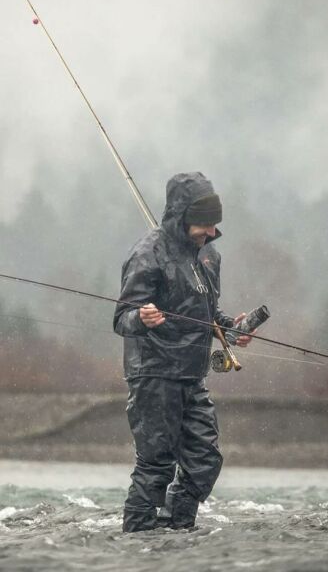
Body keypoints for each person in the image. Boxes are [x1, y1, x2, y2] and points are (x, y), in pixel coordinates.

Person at [114, 171, 252, 532]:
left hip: (193, 375)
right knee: (156, 464)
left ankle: (177, 530)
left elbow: (208, 310)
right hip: (153, 374)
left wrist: (231, 329)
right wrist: (141, 317)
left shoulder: (208, 257)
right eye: (205, 224)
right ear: (182, 215)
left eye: (214, 225)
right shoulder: (147, 254)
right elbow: (121, 317)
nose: (211, 232)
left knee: (205, 460)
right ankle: (140, 537)